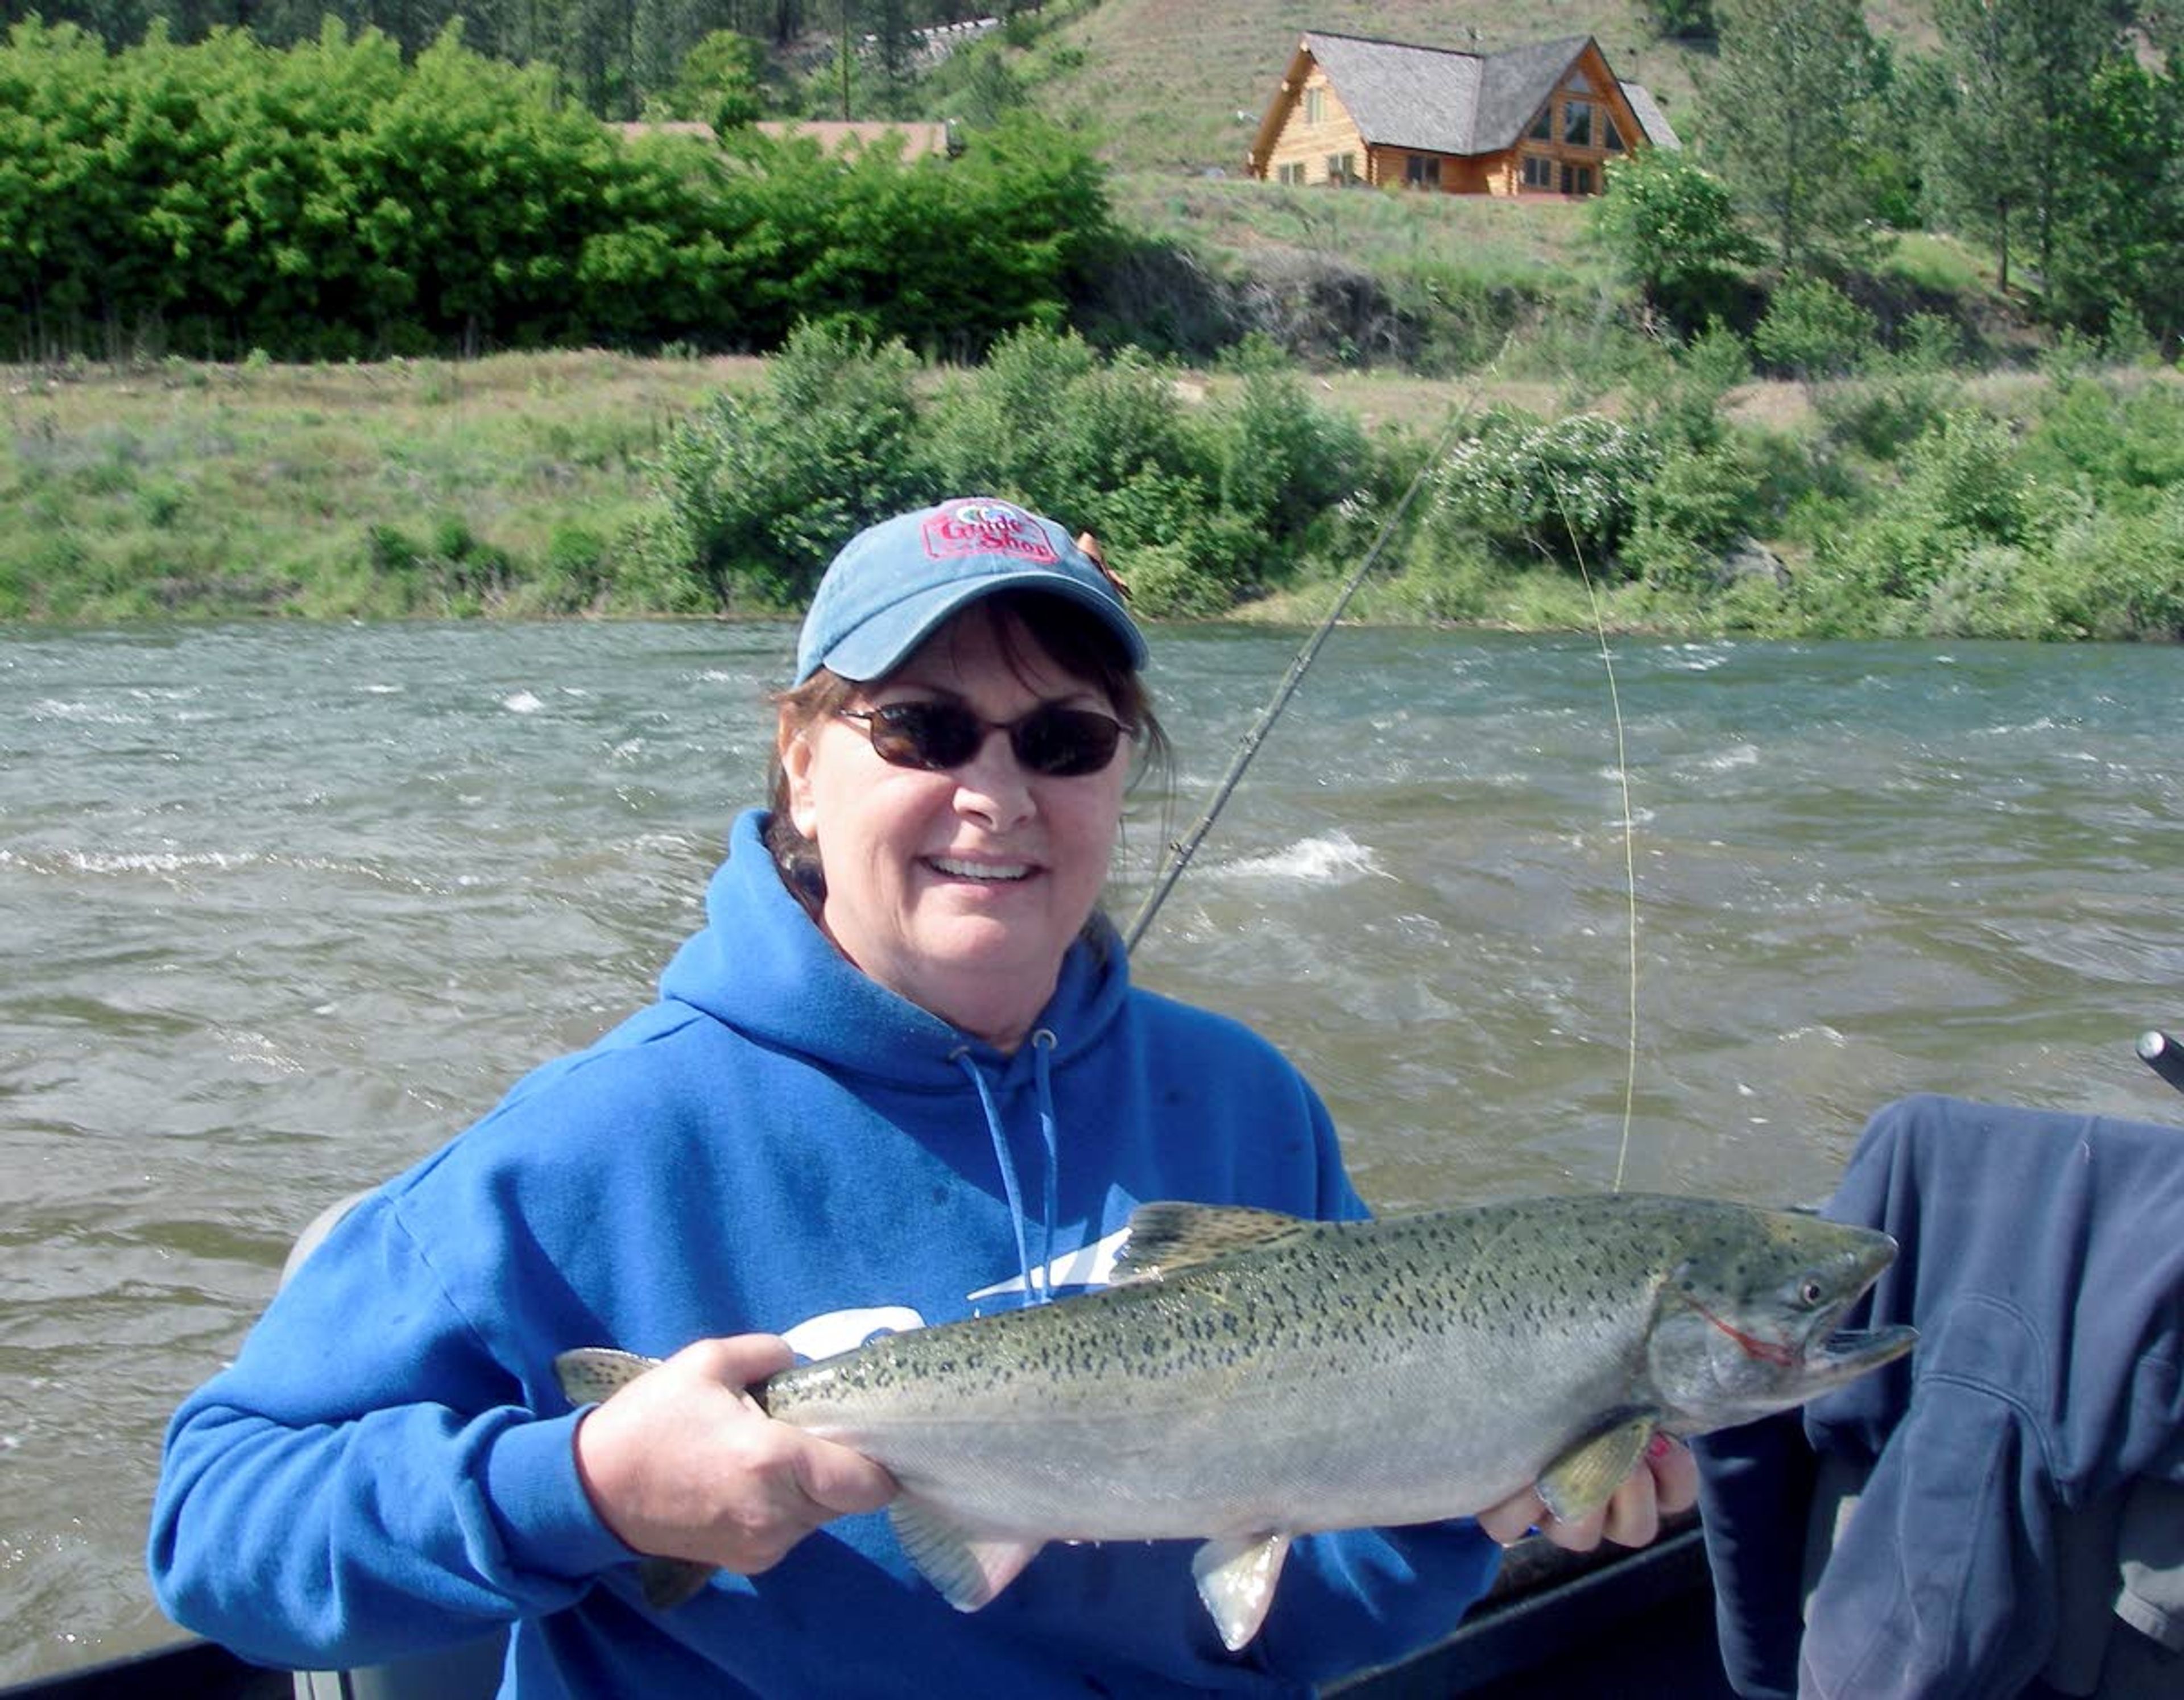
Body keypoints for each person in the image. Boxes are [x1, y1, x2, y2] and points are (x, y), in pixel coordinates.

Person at [147, 496, 1694, 1696]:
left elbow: (1286, 1629)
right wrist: (588, 1490)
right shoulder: (591, 1152)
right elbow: (217, 1529)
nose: (998, 796)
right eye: (925, 727)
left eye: (1068, 742)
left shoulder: (1244, 1107)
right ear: (803, 765)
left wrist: (1466, 1503)